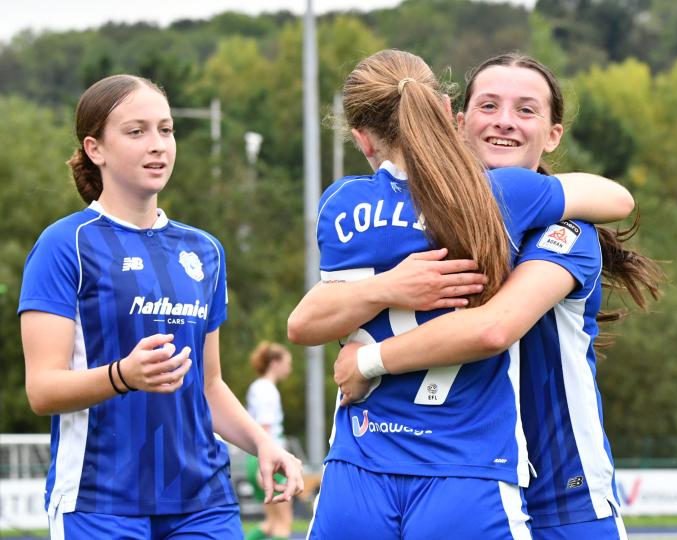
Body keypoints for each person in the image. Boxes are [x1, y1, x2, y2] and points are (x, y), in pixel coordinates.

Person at [287, 49, 635, 539]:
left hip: (563, 495)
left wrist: (368, 360)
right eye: (488, 106)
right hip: (464, 475)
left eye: (526, 109)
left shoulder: (562, 229)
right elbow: (306, 317)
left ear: (554, 133)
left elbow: (491, 327)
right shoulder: (457, 214)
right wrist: (387, 286)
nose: (505, 122)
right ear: (452, 120)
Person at [19, 74, 303, 539]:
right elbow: (42, 390)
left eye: (166, 130)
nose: (158, 145)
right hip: (99, 504)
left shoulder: (205, 250)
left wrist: (261, 443)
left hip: (203, 503)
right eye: (136, 132)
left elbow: (208, 385)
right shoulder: (64, 244)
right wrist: (123, 376)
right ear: (96, 149)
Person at [245, 342, 294, 540]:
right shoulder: (268, 391)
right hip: (268, 459)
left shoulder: (257, 387)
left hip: (254, 458)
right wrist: (263, 466)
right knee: (283, 525)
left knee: (271, 524)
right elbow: (265, 431)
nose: (289, 368)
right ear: (275, 363)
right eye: (287, 363)